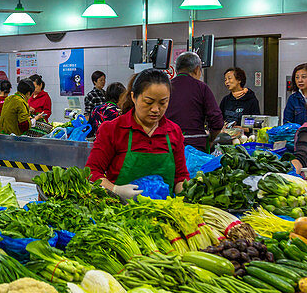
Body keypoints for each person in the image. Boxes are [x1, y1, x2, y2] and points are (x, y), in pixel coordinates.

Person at [86, 69, 189, 199]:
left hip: (165, 213)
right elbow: (92, 172)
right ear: (134, 97)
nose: (156, 109)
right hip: (120, 212)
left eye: (163, 102)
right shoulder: (112, 129)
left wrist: (187, 194)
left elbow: (181, 176)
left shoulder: (174, 132)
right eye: (148, 102)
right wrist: (115, 189)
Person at [166, 52, 225, 151]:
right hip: (196, 148)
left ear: (176, 70)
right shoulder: (201, 87)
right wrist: (210, 139)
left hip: (168, 146)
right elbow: (217, 121)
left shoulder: (166, 87)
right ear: (197, 69)